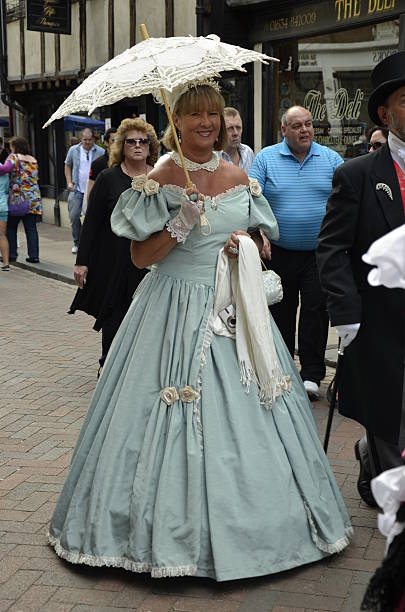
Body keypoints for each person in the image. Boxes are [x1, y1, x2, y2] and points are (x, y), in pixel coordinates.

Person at [48, 82, 351, 581]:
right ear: (177, 122)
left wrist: (240, 247)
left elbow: (255, 240)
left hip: (231, 314)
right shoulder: (160, 176)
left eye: (213, 115)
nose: (206, 124)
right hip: (168, 309)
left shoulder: (237, 174)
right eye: (194, 116)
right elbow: (140, 258)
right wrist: (179, 224)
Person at [317, 51, 405, 508]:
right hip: (378, 323)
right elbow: (331, 251)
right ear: (385, 114)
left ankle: (371, 454)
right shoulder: (356, 176)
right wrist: (345, 312)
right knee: (388, 412)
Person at [249, 106, 344, 401]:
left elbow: (348, 200)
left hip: (320, 253)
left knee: (316, 311)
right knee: (281, 310)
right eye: (297, 126)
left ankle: (312, 374)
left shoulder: (331, 159)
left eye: (308, 124)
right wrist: (257, 233)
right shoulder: (266, 158)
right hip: (278, 251)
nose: (304, 130)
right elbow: (249, 199)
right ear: (284, 130)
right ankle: (281, 367)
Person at [69, 118, 157, 371]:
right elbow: (93, 222)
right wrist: (82, 262)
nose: (138, 146)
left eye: (143, 141)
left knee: (147, 321)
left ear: (150, 146)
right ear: (121, 145)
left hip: (152, 262)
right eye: (131, 141)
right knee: (115, 319)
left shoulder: (161, 175)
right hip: (114, 262)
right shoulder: (108, 177)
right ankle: (108, 367)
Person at [0, 136, 42, 263]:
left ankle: (12, 254)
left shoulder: (14, 157)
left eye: (11, 147)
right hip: (34, 198)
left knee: (11, 227)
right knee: (31, 228)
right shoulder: (33, 159)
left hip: (18, 198)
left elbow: (4, 169)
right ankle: (34, 256)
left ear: (15, 147)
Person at [64, 128, 104, 254]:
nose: (87, 142)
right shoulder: (73, 150)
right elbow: (67, 165)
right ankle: (77, 242)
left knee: (91, 218)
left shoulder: (100, 151)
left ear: (94, 139)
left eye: (90, 140)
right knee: (74, 216)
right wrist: (69, 182)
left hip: (93, 190)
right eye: (85, 140)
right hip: (76, 190)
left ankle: (90, 243)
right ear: (81, 139)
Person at [220, 106, 254, 173]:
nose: (235, 133)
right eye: (230, 128)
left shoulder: (248, 152)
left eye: (238, 128)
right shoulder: (212, 157)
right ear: (220, 131)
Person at [87, 127, 117, 195]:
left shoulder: (125, 161)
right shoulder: (97, 164)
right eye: (113, 141)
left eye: (119, 141)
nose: (116, 143)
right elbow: (91, 190)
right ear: (106, 143)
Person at [0, 172, 9, 270]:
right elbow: (7, 189)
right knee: (2, 235)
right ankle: (6, 263)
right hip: (2, 206)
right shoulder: (4, 170)